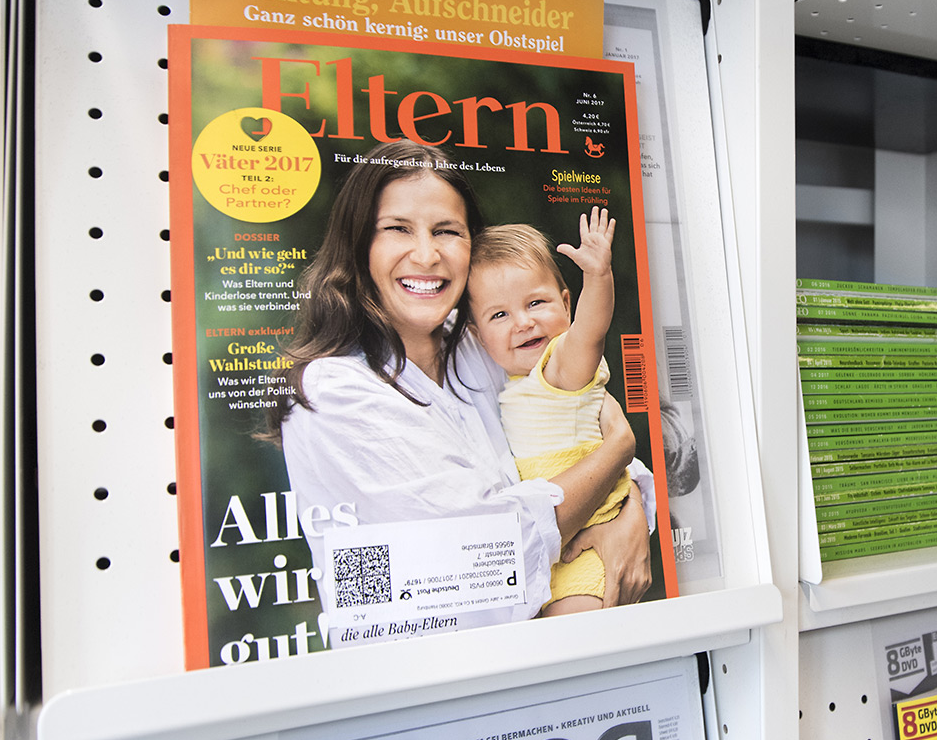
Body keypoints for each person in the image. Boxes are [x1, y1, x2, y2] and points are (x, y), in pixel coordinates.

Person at [263, 140, 651, 642]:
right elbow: (491, 548)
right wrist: (619, 449)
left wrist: (626, 515)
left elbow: (572, 420)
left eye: (446, 231)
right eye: (398, 229)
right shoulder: (334, 391)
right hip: (428, 669)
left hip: (540, 648)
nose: (427, 255)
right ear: (359, 245)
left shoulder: (481, 343)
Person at [464, 210, 629, 616]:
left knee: (575, 641)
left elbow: (590, 331)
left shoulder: (560, 365)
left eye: (536, 302)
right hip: (549, 549)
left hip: (585, 546)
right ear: (477, 336)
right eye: (500, 314)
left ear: (566, 304)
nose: (523, 322)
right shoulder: (513, 380)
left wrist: (598, 276)